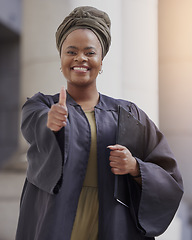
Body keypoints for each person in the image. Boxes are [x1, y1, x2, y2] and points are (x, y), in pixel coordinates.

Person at [15, 6, 183, 240]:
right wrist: (50, 121)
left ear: (101, 61)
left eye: (89, 52)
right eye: (71, 51)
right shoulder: (41, 105)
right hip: (57, 222)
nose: (80, 58)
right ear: (61, 58)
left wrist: (135, 167)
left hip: (113, 225)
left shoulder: (129, 114)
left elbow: (170, 177)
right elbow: (33, 123)